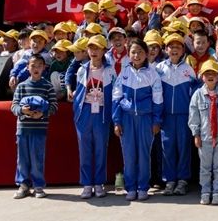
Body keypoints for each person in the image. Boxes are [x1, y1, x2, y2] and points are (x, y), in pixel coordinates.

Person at [112, 37, 163, 201]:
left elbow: (158, 99)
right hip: (127, 119)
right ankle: (131, 187)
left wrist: (156, 121)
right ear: (129, 54)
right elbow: (116, 98)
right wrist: (117, 121)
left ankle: (142, 187)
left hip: (145, 119)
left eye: (140, 52)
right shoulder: (124, 72)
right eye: (133, 52)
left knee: (143, 154)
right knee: (129, 155)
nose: (137, 55)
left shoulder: (152, 74)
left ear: (146, 54)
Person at [73, 34, 115, 199]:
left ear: (104, 50)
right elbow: (78, 91)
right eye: (91, 48)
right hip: (85, 112)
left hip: (102, 112)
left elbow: (115, 92)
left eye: (97, 48)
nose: (93, 51)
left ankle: (99, 183)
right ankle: (87, 183)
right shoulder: (82, 68)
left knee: (100, 149)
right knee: (84, 149)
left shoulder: (110, 69)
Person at [156, 32, 197, 196]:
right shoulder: (159, 69)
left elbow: (194, 95)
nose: (174, 49)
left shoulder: (189, 70)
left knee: (183, 148)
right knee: (167, 148)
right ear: (166, 49)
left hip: (183, 116)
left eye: (178, 47)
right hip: (166, 116)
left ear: (183, 51)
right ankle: (169, 180)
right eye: (171, 46)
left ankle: (182, 180)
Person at [11, 54, 57, 199]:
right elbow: (14, 106)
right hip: (23, 129)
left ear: (44, 67)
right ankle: (23, 185)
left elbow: (54, 106)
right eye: (33, 65)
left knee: (37, 158)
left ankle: (38, 186)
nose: (36, 68)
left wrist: (42, 114)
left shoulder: (48, 86)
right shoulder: (21, 86)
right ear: (27, 68)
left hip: (39, 129)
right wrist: (22, 110)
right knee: (23, 159)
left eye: (39, 66)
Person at [189, 60, 218, 205]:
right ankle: (205, 191)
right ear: (202, 76)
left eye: (213, 73)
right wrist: (196, 134)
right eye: (206, 73)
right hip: (205, 137)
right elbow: (194, 115)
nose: (210, 76)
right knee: (205, 167)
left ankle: (217, 191)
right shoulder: (197, 95)